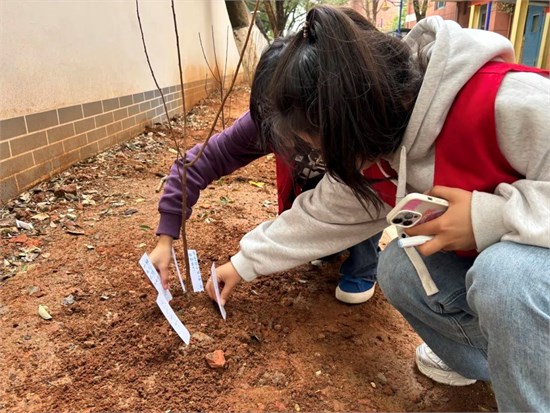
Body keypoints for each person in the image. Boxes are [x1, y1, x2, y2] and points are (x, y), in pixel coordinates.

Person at [205, 6, 550, 411]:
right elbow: (319, 214)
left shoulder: (507, 101)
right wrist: (241, 263)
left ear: (354, 120)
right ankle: (509, 363)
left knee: (506, 278)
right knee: (399, 267)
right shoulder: (378, 151)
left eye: (323, 144)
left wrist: (488, 218)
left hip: (528, 278)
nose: (323, 157)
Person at [149, 14, 382, 305]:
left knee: (361, 192)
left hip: (355, 194)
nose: (286, 131)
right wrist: (166, 237)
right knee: (317, 225)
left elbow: (376, 195)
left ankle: (363, 266)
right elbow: (200, 162)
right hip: (311, 198)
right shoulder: (267, 121)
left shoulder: (357, 127)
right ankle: (329, 247)